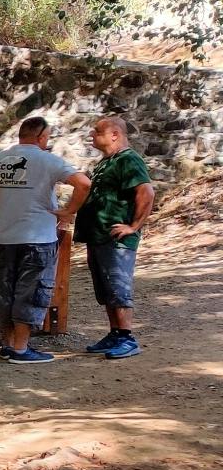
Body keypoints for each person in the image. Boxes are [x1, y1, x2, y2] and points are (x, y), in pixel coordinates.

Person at [0, 116, 91, 364]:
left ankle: (8, 344)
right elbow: (83, 184)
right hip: (38, 238)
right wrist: (69, 211)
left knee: (7, 292)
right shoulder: (47, 160)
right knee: (32, 291)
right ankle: (21, 349)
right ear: (42, 137)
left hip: (6, 237)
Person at [75, 114, 153, 360]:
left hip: (115, 239)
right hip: (98, 236)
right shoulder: (107, 162)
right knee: (106, 288)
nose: (91, 135)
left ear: (114, 135)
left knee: (118, 287)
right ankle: (115, 333)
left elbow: (146, 191)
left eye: (97, 131)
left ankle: (127, 338)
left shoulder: (128, 160)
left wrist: (133, 226)